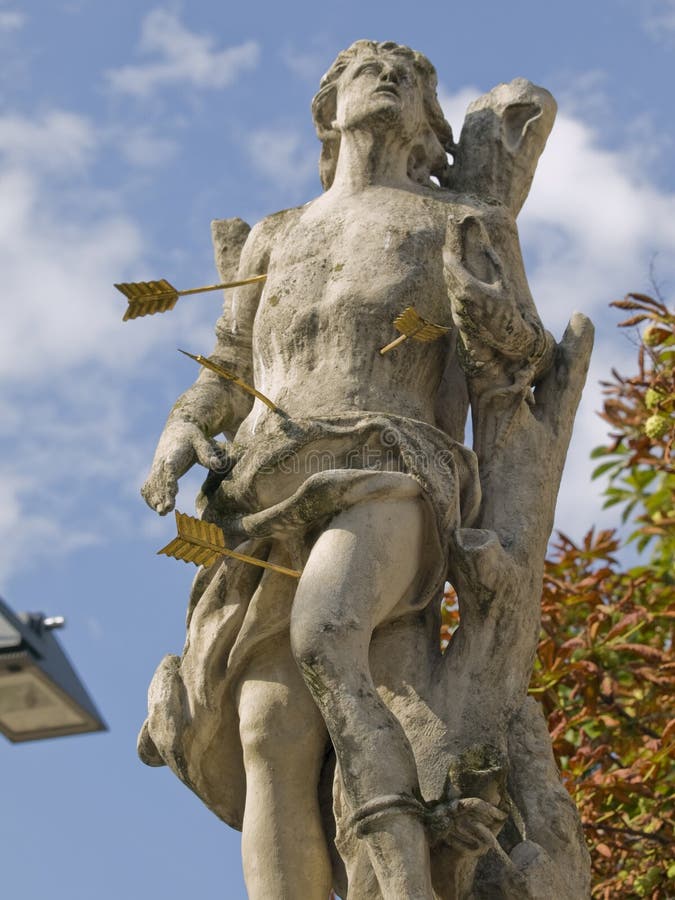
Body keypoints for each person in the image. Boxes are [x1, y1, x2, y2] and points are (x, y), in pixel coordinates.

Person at [138, 40, 552, 899]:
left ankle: (401, 882)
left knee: (325, 634)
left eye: (411, 77)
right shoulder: (277, 233)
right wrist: (179, 434)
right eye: (367, 69)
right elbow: (225, 368)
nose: (391, 79)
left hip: (390, 464)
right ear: (328, 108)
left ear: (428, 122)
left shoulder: (461, 222)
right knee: (266, 728)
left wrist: (491, 313)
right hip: (258, 491)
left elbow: (516, 368)